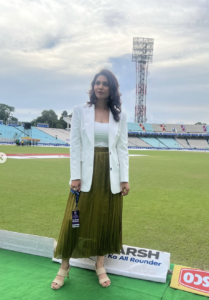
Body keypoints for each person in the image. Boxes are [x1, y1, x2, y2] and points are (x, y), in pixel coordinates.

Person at [51, 69, 130, 290]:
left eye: (105, 84)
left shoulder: (120, 116)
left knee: (106, 218)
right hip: (86, 175)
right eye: (97, 83)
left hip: (111, 175)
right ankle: (64, 266)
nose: (100, 87)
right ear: (93, 86)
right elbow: (75, 145)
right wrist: (75, 176)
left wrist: (125, 179)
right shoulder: (80, 111)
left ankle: (100, 264)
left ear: (111, 89)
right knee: (75, 219)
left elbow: (122, 148)